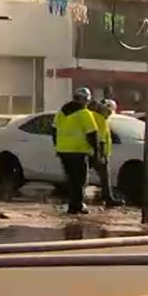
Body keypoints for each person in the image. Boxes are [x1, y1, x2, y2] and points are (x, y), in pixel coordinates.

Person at [52, 87, 100, 215]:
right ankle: (76, 206)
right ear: (85, 100)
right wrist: (97, 152)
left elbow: (54, 130)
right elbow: (92, 135)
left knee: (71, 179)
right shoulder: (85, 114)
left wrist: (57, 146)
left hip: (63, 151)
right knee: (80, 180)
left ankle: (73, 204)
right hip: (78, 151)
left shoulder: (61, 112)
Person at [91, 98, 124, 207]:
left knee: (103, 176)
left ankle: (108, 197)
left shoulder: (100, 118)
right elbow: (100, 138)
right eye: (109, 112)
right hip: (97, 151)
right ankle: (108, 198)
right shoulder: (99, 118)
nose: (109, 114)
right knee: (104, 176)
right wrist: (101, 153)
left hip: (97, 150)